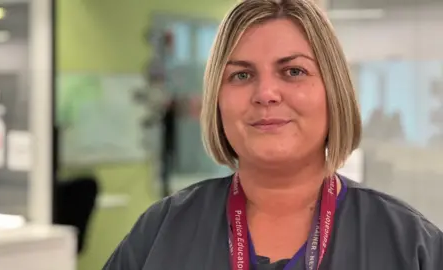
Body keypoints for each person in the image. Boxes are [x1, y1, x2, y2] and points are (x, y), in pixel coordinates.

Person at [104, 0, 443, 269]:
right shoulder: (161, 231)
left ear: (333, 91)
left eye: (293, 71)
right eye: (240, 75)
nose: (265, 93)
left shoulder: (409, 245)